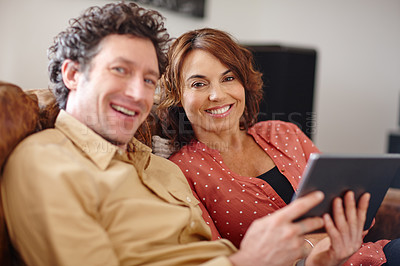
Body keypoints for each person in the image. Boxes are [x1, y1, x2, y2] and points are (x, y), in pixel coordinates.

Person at [1, 3, 370, 266]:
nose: (138, 93)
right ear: (72, 75)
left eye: (148, 79)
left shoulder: (161, 169)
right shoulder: (46, 162)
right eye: (120, 70)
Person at [157, 28, 397, 265]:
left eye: (228, 78)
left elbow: (358, 213)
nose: (217, 95)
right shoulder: (180, 171)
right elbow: (216, 258)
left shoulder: (285, 132)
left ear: (243, 84)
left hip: (375, 257)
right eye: (199, 84)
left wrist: (310, 245)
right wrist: (310, 252)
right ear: (178, 94)